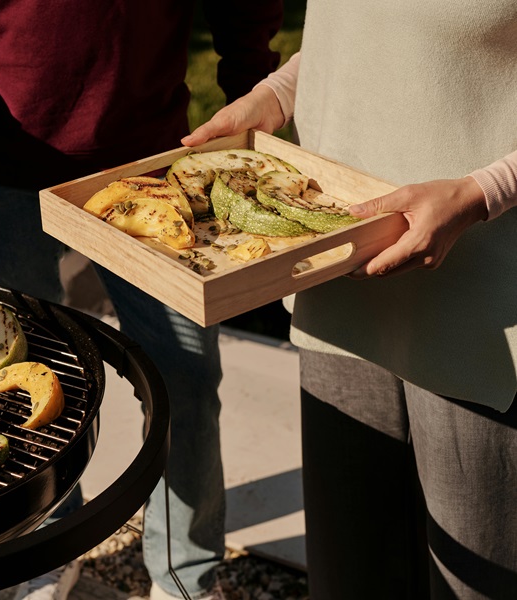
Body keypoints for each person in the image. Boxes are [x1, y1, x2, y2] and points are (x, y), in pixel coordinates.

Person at [0, 1, 284, 598]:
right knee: (18, 377)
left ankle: (187, 575)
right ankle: (46, 550)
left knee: (184, 372)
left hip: (142, 149)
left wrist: (252, 82)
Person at [183, 1, 517, 598]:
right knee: (350, 574)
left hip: (478, 311)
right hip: (339, 283)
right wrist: (278, 94)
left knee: (477, 583)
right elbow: (362, 32)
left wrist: (481, 191)